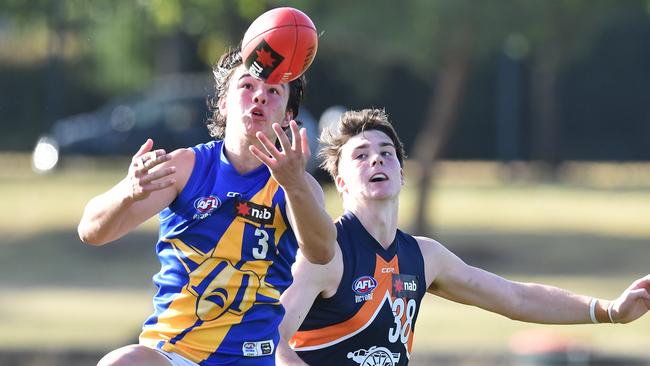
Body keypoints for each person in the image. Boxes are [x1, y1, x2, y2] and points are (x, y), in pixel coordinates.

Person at [275, 108, 650, 366]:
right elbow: (271, 337)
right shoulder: (325, 254)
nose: (376, 160)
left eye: (386, 153)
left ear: (403, 175)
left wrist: (609, 311)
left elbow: (514, 296)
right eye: (360, 155)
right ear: (339, 182)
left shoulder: (425, 257)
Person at [77, 45, 336, 366]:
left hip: (248, 359)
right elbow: (90, 231)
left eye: (273, 91)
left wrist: (294, 184)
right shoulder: (186, 167)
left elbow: (322, 252)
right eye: (247, 86)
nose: (259, 97)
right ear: (224, 103)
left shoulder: (298, 187)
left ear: (288, 115)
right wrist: (127, 191)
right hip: (173, 352)